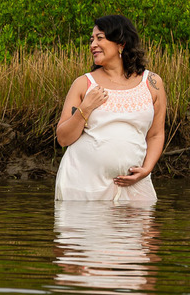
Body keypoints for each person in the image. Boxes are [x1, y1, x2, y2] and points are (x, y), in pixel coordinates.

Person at [54, 15, 166, 203]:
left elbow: (155, 134)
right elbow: (63, 138)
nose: (92, 45)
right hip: (82, 187)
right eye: (92, 40)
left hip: (134, 188)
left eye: (100, 38)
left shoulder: (152, 83)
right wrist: (86, 108)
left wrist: (146, 170)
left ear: (121, 43)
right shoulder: (83, 84)